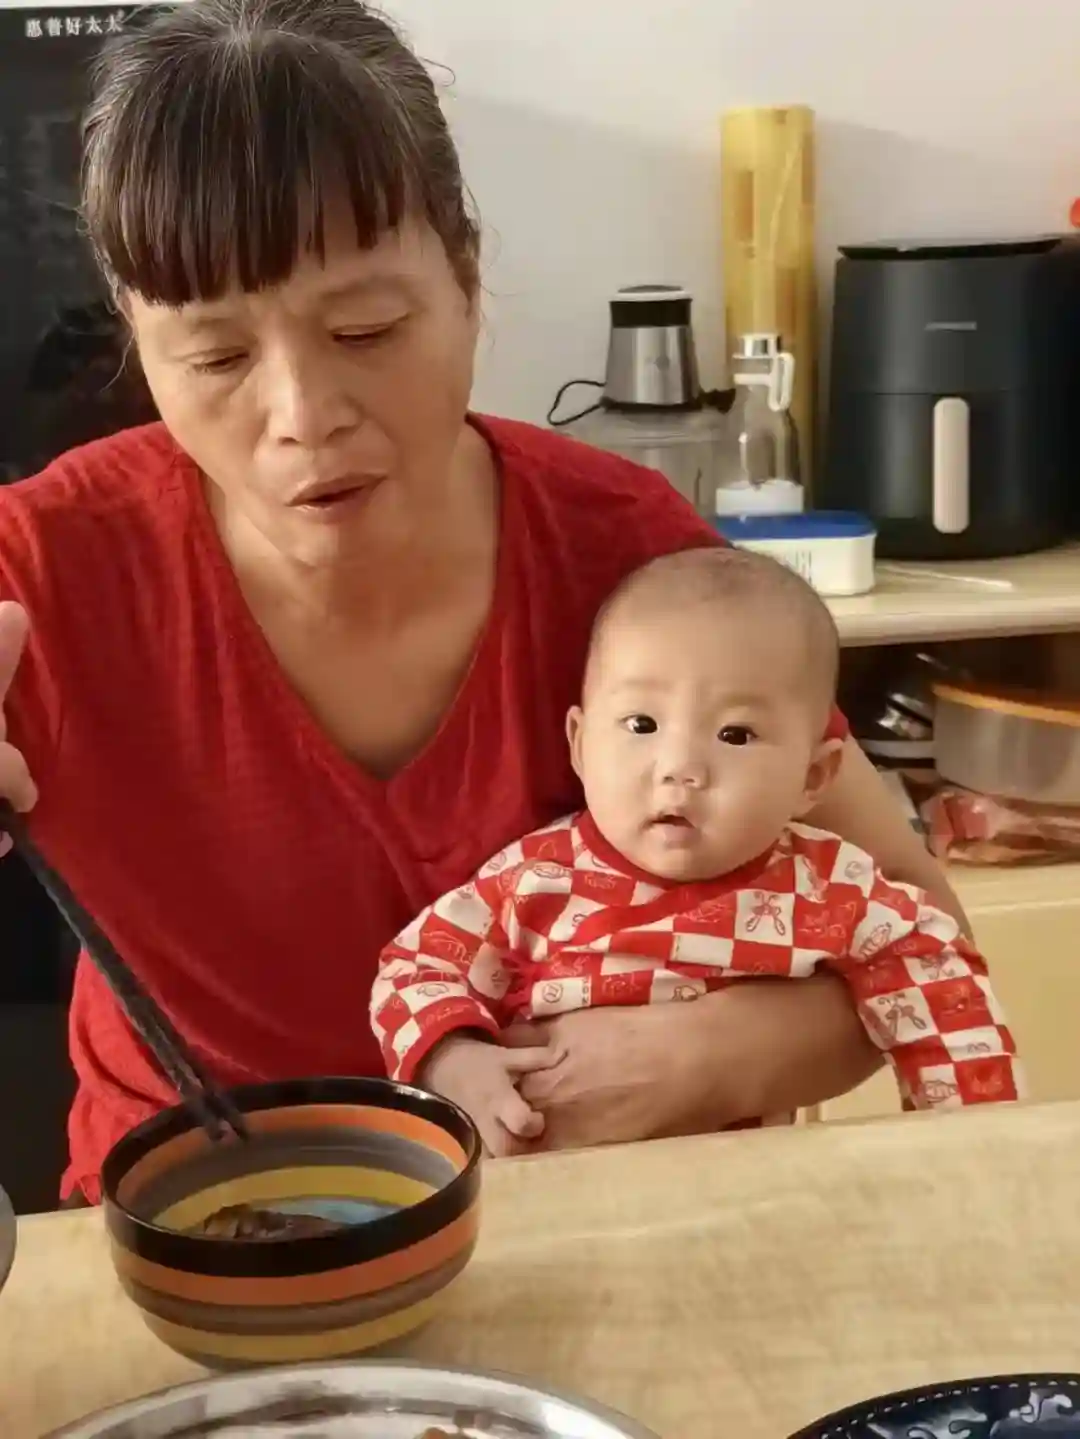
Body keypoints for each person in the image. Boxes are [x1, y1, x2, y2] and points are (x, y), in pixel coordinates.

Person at [0, 0, 967, 1207]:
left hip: (586, 1210)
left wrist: (706, 1055)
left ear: (467, 278)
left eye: (365, 329)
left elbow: (919, 925)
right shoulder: (47, 568)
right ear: (139, 345)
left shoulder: (625, 555)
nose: (303, 414)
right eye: (216, 358)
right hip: (196, 1230)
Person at [371, 549, 1021, 1154]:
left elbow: (941, 977)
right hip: (549, 1189)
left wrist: (971, 1152)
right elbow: (413, 967)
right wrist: (455, 1059)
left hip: (738, 1195)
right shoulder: (530, 881)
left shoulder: (829, 887)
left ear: (813, 778)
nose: (679, 767)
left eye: (735, 734)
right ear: (580, 744)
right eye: (642, 725)